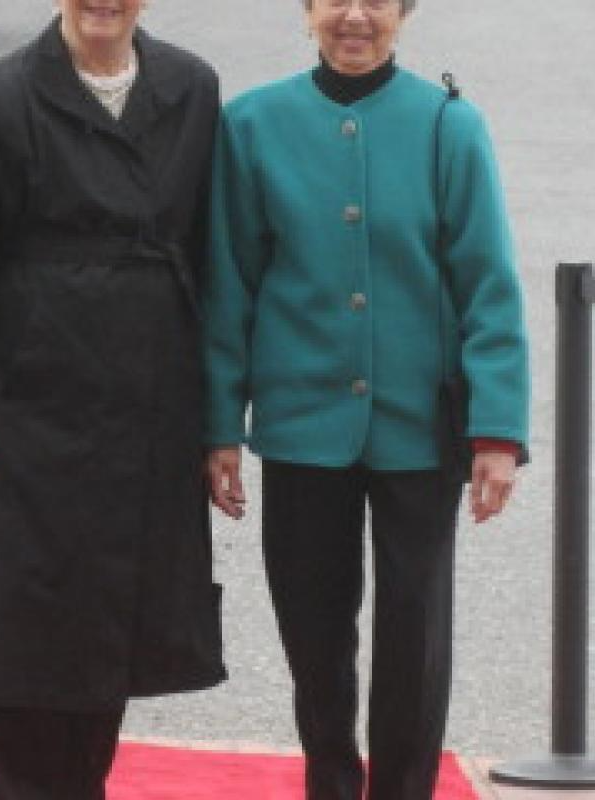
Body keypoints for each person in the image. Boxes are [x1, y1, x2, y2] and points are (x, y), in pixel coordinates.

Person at [0, 2, 225, 797]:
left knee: (112, 611)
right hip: (29, 387)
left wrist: (222, 414)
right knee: (16, 610)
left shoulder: (190, 88)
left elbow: (219, 248)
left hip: (151, 393)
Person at [202, 1, 530, 797]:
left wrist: (497, 431)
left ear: (404, 12)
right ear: (308, 11)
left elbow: (488, 282)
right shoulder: (250, 125)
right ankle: (330, 779)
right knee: (312, 631)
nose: (356, 16)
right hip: (300, 426)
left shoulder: (449, 126)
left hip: (421, 428)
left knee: (415, 635)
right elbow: (226, 287)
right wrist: (219, 425)